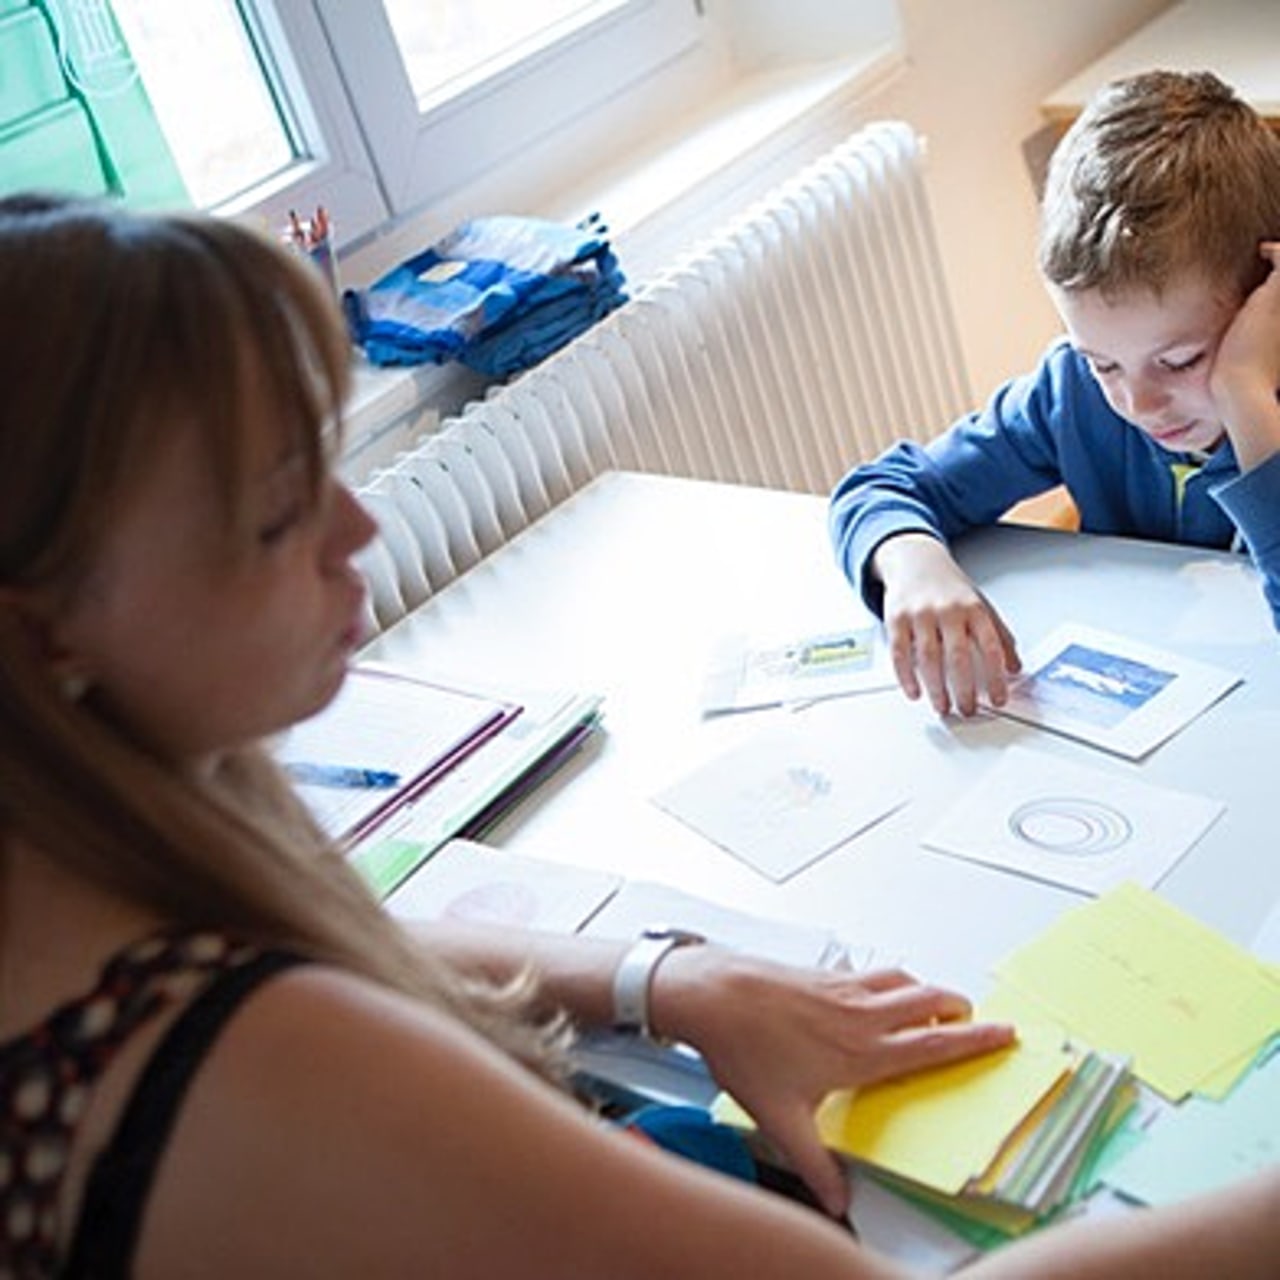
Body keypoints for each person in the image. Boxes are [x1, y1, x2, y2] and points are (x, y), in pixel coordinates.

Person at [0, 193, 1275, 1279]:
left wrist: (654, 978)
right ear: (43, 621)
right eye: (277, 512)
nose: (358, 537)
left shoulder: (88, 889)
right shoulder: (258, 1056)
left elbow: (359, 930)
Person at [829, 69, 1280, 717]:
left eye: (1179, 361)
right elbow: (885, 487)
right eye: (1104, 362)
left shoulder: (1261, 406)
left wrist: (1247, 398)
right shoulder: (1071, 392)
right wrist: (912, 565)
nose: (1139, 404)